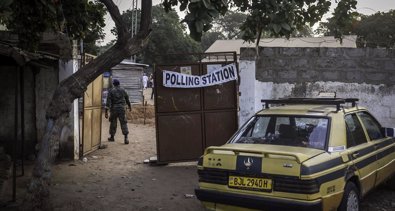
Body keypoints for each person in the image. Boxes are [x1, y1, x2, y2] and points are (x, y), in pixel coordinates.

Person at [105, 79, 131, 144]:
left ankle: (112, 137)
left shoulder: (111, 91)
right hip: (122, 109)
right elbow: (127, 99)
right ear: (119, 84)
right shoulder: (123, 90)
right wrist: (130, 106)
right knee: (123, 123)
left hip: (114, 109)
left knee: (113, 123)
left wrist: (106, 112)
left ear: (113, 84)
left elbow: (108, 102)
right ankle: (126, 138)